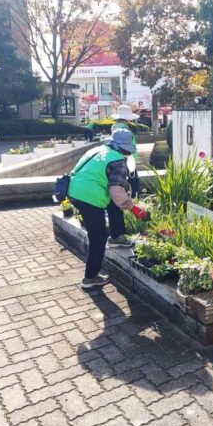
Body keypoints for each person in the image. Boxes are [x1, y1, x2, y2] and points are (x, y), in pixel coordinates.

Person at [68, 129, 150, 289]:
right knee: (98, 237)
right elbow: (117, 192)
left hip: (73, 191)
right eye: (127, 149)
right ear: (123, 148)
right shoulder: (117, 160)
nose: (128, 152)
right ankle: (90, 278)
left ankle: (117, 236)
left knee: (112, 207)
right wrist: (136, 210)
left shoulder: (98, 150)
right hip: (89, 198)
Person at [111, 104, 141, 198]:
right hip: (127, 158)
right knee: (134, 180)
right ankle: (135, 199)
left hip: (119, 158)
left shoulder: (115, 128)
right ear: (127, 118)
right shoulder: (123, 129)